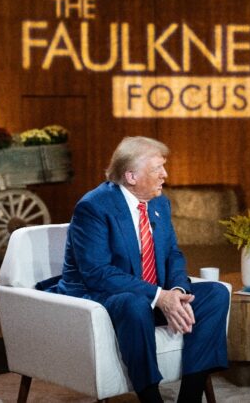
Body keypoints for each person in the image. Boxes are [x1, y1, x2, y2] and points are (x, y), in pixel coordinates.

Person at [55, 136, 229, 403]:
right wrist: (160, 297)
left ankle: (190, 397)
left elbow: (172, 254)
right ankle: (151, 399)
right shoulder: (94, 207)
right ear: (131, 176)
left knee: (216, 294)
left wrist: (178, 292)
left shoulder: (159, 203)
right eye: (157, 169)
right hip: (102, 297)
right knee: (134, 304)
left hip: (146, 293)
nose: (165, 175)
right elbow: (98, 273)